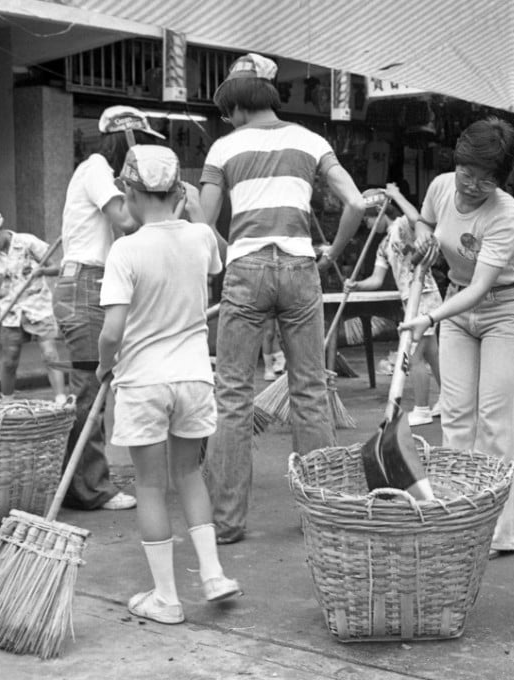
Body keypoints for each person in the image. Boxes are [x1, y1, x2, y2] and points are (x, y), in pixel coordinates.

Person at [198, 53, 366, 544]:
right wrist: (330, 252)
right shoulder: (311, 141)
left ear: (234, 105)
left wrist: (236, 252)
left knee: (232, 396)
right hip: (299, 266)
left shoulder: (223, 149)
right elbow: (356, 201)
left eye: (227, 110)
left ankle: (226, 523)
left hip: (246, 269)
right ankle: (322, 514)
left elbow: (202, 227)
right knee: (310, 391)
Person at [97, 144, 240, 624]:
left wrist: (104, 365)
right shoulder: (200, 238)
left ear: (131, 192)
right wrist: (196, 213)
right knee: (189, 475)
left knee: (151, 485)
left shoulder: (125, 249)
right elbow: (218, 260)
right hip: (195, 377)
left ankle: (167, 598)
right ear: (179, 190)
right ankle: (214, 574)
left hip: (143, 381)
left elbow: (112, 331)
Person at [401, 117, 514, 557]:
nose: (472, 186)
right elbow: (425, 221)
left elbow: (480, 288)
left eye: (486, 180)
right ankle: (456, 518)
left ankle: (500, 532)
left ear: (501, 180)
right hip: (458, 309)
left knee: (495, 421)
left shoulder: (507, 216)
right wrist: (423, 241)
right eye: (467, 174)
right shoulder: (440, 186)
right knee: (455, 416)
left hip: (503, 311)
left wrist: (429, 317)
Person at [54, 105, 164, 511]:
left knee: (93, 391)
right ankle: (90, 490)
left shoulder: (97, 173)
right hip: (85, 286)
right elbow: (124, 219)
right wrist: (159, 205)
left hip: (86, 284)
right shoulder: (97, 166)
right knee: (91, 392)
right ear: (128, 140)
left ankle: (81, 482)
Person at [345, 183, 442, 426]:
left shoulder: (401, 224)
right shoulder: (382, 245)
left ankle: (421, 409)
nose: (367, 226)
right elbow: (376, 280)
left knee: (414, 353)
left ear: (378, 213)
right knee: (431, 352)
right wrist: (355, 284)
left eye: (367, 220)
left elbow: (418, 220)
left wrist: (396, 195)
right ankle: (451, 399)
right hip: (410, 298)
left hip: (425, 293)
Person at [0, 209, 67, 405]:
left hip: (38, 307)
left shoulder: (27, 243)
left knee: (50, 354)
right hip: (10, 314)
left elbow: (58, 267)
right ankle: (7, 403)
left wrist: (42, 271)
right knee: (10, 360)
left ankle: (60, 400)